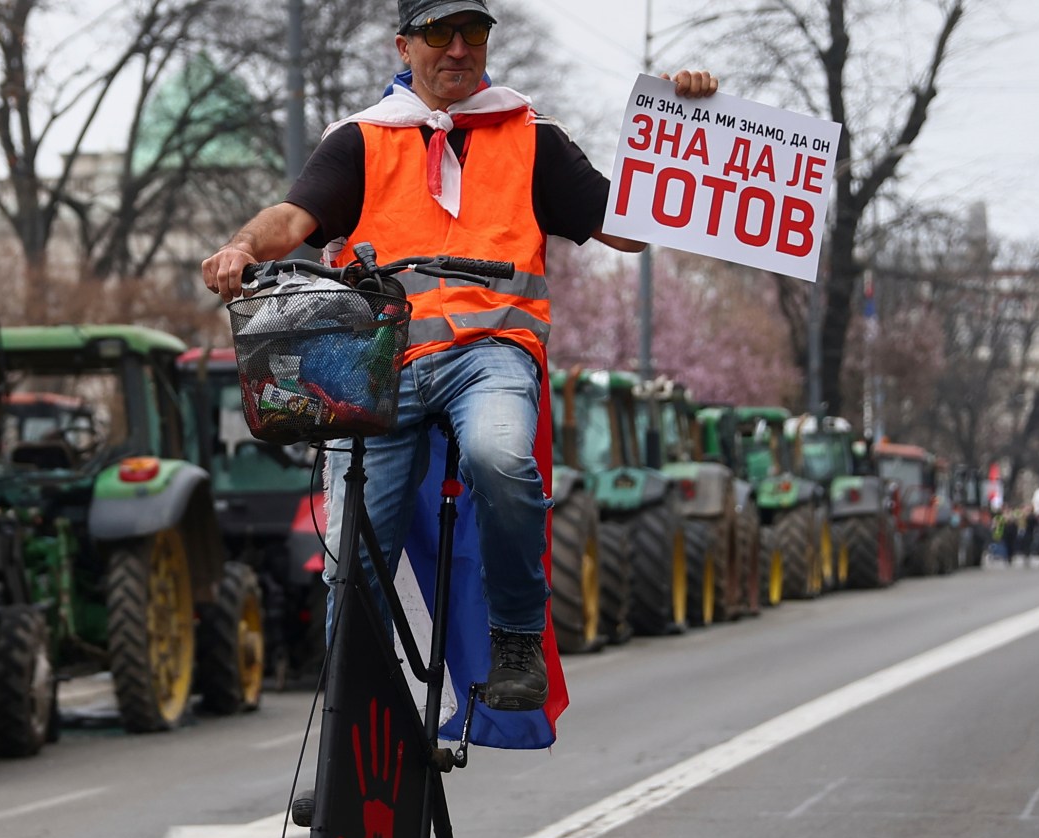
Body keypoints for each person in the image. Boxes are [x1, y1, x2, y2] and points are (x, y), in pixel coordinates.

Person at [200, 2, 717, 712]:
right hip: (379, 368)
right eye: (440, 33)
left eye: (473, 33)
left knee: (501, 458)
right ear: (404, 46)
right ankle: (351, 733)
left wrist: (684, 124)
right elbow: (291, 219)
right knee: (354, 552)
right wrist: (242, 248)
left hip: (491, 355)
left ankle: (515, 636)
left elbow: (628, 231)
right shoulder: (362, 139)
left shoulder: (532, 138)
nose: (458, 48)